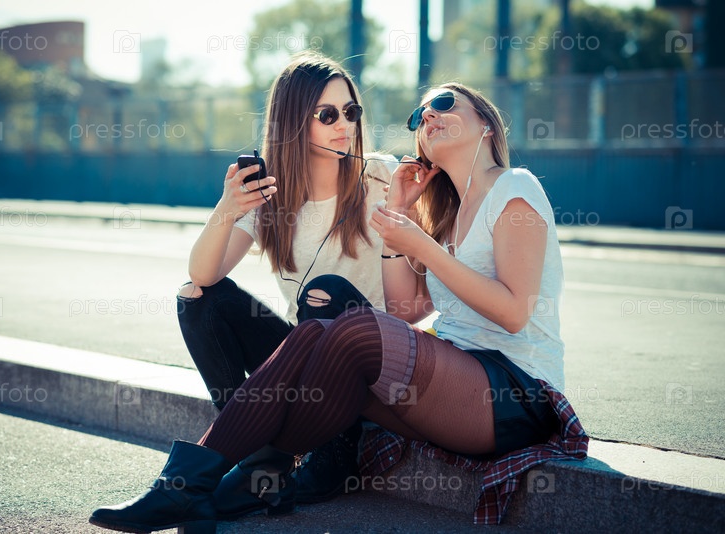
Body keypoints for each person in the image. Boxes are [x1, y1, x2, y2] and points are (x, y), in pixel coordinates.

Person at [90, 82, 584, 533]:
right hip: (455, 391)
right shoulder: (448, 213)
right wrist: (401, 215)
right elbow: (406, 307)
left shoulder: (514, 186)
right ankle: (195, 488)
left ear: (487, 123)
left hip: (516, 395)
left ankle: (195, 484)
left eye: (442, 104)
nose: (427, 116)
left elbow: (515, 312)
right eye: (418, 115)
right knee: (315, 332)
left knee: (345, 327)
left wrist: (421, 244)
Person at [175, 52, 396, 518]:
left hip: (368, 361)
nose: (345, 125)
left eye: (351, 111)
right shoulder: (272, 197)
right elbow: (202, 275)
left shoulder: (380, 176)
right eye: (327, 114)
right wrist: (228, 208)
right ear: (294, 122)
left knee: (325, 294)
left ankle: (337, 453)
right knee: (198, 299)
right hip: (306, 362)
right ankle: (260, 461)